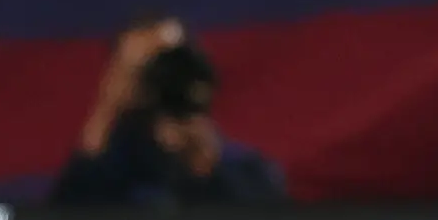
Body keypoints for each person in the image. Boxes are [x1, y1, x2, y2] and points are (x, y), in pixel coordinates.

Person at [49, 18, 286, 206]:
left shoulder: (247, 169)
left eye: (174, 62)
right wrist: (107, 106)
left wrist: (202, 156)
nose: (166, 77)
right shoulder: (113, 166)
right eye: (150, 66)